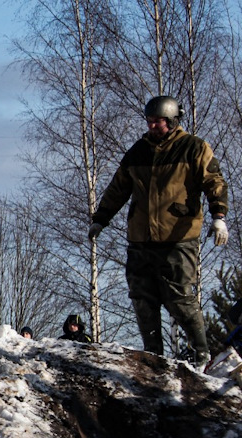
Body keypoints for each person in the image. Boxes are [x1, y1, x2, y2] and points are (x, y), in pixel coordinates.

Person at [88, 95, 229, 366]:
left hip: (178, 236)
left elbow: (215, 182)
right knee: (142, 298)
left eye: (159, 122)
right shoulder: (138, 151)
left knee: (179, 299)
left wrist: (218, 216)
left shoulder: (193, 148)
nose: (153, 127)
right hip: (141, 238)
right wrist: (101, 218)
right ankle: (154, 357)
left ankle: (202, 354)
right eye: (150, 122)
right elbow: (118, 188)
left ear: (173, 121)